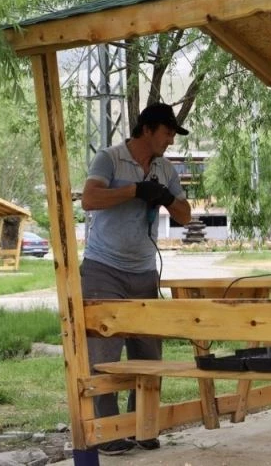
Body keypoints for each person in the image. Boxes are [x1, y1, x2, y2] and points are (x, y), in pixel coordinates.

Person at [80, 102, 192, 455]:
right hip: (103, 269)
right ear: (147, 129)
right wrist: (132, 191)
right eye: (168, 132)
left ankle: (142, 425)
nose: (171, 140)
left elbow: (186, 216)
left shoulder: (165, 168)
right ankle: (110, 432)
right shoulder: (109, 158)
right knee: (104, 353)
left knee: (149, 353)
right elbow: (89, 198)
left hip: (144, 270)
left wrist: (166, 197)